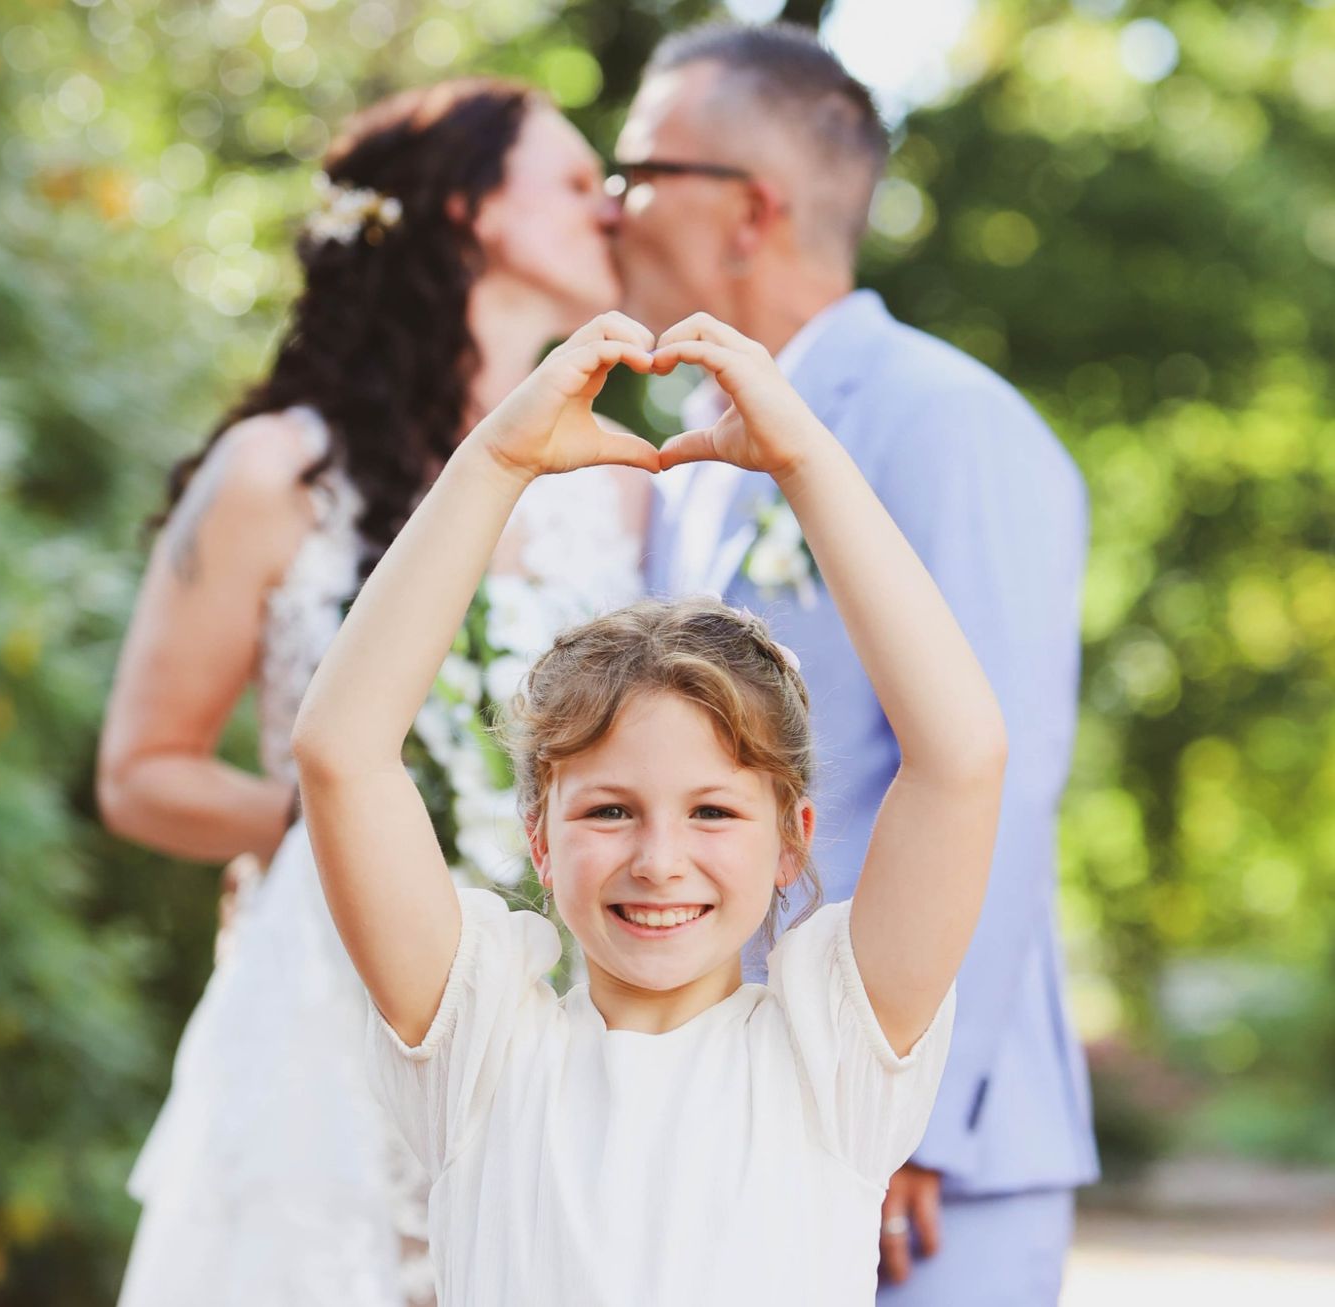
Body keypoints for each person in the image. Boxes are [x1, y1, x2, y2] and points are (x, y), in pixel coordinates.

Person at [291, 309, 1007, 1305]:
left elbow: (962, 758)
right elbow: (341, 752)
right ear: (539, 837)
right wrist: (496, 460)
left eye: (712, 812)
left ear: (791, 841)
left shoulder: (833, 1050)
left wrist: (805, 460)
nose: (660, 858)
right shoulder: (479, 1045)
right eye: (609, 812)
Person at [97, 80, 645, 1307]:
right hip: (322, 998)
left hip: (551, 997)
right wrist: (329, 825)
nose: (611, 210)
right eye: (572, 183)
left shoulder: (621, 488)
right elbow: (141, 772)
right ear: (469, 209)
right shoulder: (278, 471)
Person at [615, 23, 1099, 1303]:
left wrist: (912, 1113)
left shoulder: (947, 421)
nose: (611, 209)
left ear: (747, 209)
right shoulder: (690, 458)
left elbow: (1002, 763)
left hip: (921, 1141)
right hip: (734, 1097)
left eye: (637, 173)